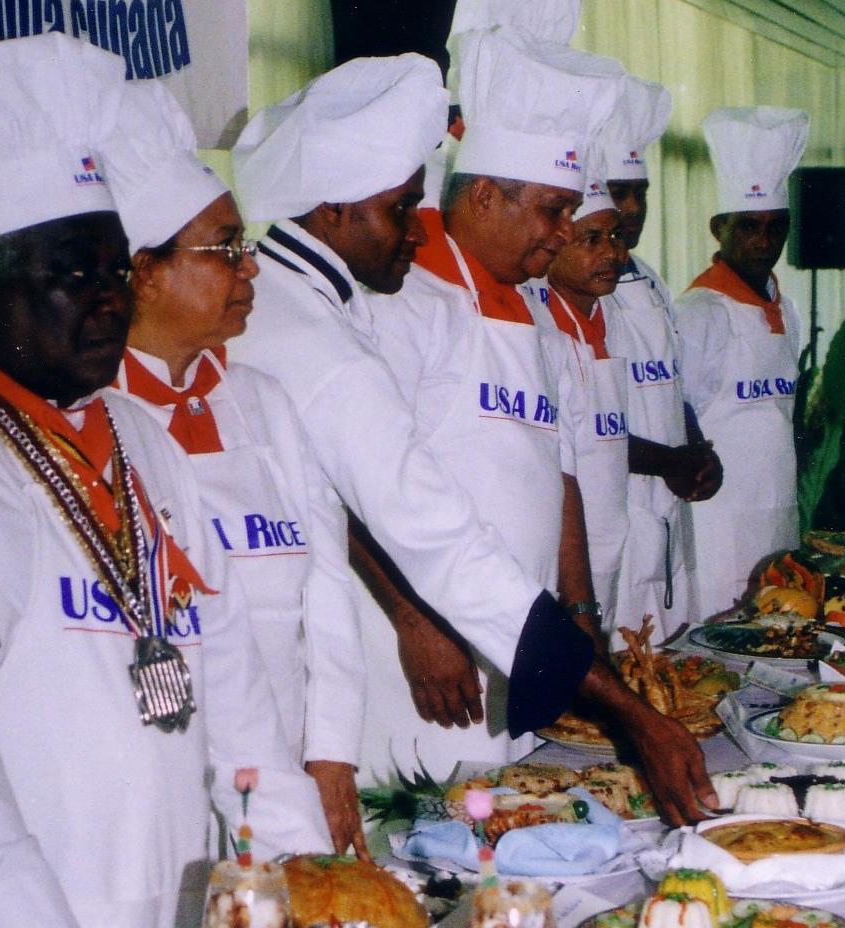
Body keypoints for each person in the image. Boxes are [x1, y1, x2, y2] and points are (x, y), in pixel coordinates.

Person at [0, 34, 329, 928]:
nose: (107, 298)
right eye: (70, 271)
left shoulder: (139, 438)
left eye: (112, 267)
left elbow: (239, 694)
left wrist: (302, 883)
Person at [230, 47, 716, 824]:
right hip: (406, 658)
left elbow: (540, 478)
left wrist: (582, 634)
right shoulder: (337, 330)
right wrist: (627, 711)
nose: (414, 234)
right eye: (400, 210)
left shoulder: (338, 305)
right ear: (333, 210)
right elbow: (429, 530)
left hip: (503, 633)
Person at [101, 81, 368, 855]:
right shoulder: (99, 422)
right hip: (162, 787)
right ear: (143, 271)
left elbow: (326, 582)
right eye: (225, 249)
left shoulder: (263, 402)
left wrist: (332, 753)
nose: (248, 270)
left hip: (285, 771)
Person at [366, 25, 621, 769]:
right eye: (552, 210)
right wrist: (416, 623)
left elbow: (559, 473)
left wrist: (577, 615)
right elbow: (349, 488)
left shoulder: (534, 309)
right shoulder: (405, 297)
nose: (564, 232)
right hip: (420, 650)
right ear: (483, 194)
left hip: (518, 634)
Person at [601, 77, 722, 639]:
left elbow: (672, 388)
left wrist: (697, 451)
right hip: (618, 513)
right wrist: (668, 461)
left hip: (670, 511)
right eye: (618, 192)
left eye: (641, 192)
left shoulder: (650, 280)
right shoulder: (572, 291)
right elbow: (588, 424)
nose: (632, 208)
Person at [677, 107, 808, 619]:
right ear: (719, 228)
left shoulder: (786, 308)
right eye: (749, 227)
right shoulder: (698, 312)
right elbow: (679, 415)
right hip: (720, 527)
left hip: (778, 516)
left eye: (775, 228)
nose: (763, 241)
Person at [520, 145, 634, 636]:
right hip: (564, 567)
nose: (612, 253)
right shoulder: (537, 328)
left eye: (615, 237)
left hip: (614, 547)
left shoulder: (616, 318)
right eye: (592, 238)